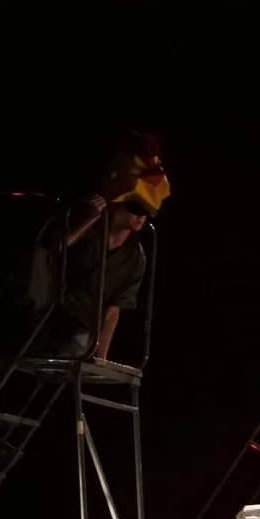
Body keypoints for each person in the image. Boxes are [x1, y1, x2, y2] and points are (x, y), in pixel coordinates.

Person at [45, 136, 169, 362]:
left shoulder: (135, 257)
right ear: (116, 205)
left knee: (79, 343)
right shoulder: (89, 226)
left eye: (147, 210)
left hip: (83, 328)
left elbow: (113, 311)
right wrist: (87, 220)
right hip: (53, 312)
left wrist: (101, 361)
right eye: (135, 207)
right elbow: (53, 250)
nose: (142, 216)